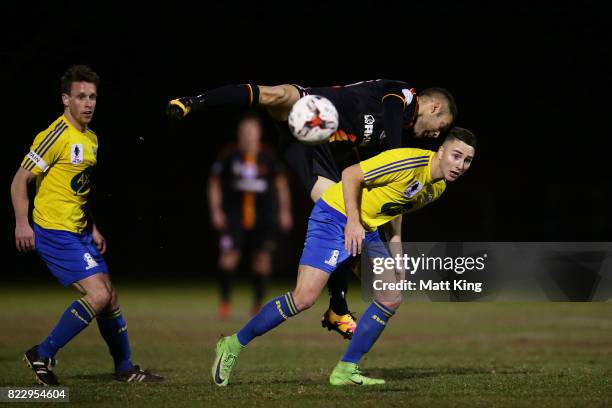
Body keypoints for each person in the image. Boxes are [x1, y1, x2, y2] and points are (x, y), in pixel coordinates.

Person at [167, 80, 457, 339]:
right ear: (433, 106)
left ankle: (337, 308)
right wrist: (397, 158)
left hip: (309, 146)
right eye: (441, 125)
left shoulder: (382, 138)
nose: (436, 134)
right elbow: (392, 141)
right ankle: (194, 101)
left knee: (341, 213)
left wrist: (394, 238)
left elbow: (382, 184)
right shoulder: (405, 96)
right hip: (313, 105)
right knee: (275, 94)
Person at [210, 127, 476, 386]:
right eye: (456, 155)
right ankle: (233, 343)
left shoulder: (437, 186)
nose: (460, 165)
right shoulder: (409, 160)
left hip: (366, 228)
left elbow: (396, 205)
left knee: (391, 296)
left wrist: (397, 248)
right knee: (303, 298)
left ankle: (346, 369)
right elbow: (351, 175)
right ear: (440, 151)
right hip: (335, 217)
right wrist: (352, 222)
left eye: (467, 160)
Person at [10, 65, 162, 385]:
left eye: (92, 97)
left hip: (79, 232)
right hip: (54, 230)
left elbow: (76, 188)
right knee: (98, 295)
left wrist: (92, 225)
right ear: (66, 99)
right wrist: (22, 224)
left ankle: (125, 368)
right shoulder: (55, 135)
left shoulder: (91, 138)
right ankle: (42, 352)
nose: (88, 103)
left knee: (110, 297)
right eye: (81, 97)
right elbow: (19, 180)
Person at [208, 113, 293, 317]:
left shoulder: (268, 157)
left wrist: (285, 211)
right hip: (234, 216)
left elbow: (281, 185)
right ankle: (225, 303)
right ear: (239, 134)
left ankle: (257, 305)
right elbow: (214, 183)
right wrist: (216, 210)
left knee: (262, 260)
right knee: (229, 257)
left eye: (251, 131)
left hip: (264, 217)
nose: (248, 135)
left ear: (258, 134)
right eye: (244, 132)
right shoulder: (229, 155)